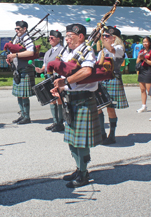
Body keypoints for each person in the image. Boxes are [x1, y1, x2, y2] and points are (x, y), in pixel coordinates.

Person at [51, 24, 102, 188]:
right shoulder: (67, 51)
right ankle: (78, 168)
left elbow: (86, 71)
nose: (66, 39)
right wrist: (59, 87)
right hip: (70, 98)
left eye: (70, 35)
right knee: (72, 140)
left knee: (81, 141)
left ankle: (84, 172)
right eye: (66, 36)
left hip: (83, 100)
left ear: (81, 37)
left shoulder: (87, 51)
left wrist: (65, 82)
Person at [98, 26, 129, 145]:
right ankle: (101, 133)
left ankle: (112, 134)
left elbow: (111, 49)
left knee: (110, 108)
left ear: (114, 38)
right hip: (102, 78)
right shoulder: (104, 50)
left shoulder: (119, 48)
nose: (104, 38)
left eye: (107, 36)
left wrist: (102, 40)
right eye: (104, 36)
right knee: (98, 106)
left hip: (113, 78)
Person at [35, 30, 65, 132]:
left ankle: (60, 123)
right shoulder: (48, 52)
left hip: (57, 77)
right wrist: (41, 70)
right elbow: (45, 65)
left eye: (52, 38)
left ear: (58, 39)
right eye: (49, 38)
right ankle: (55, 121)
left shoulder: (63, 50)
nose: (49, 39)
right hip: (48, 77)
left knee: (59, 98)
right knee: (51, 99)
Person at [7, 20, 35, 124]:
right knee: (19, 94)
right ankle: (22, 115)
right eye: (16, 28)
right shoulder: (17, 38)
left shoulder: (26, 38)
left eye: (18, 28)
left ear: (24, 29)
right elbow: (13, 51)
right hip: (17, 69)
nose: (16, 30)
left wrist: (15, 55)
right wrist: (10, 57)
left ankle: (27, 117)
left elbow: (31, 51)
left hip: (25, 69)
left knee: (24, 94)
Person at [136, 37, 151, 113]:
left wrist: (144, 59)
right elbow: (137, 61)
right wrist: (140, 58)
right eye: (144, 42)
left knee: (149, 90)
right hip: (142, 70)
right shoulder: (141, 51)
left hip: (148, 70)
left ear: (149, 43)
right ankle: (144, 106)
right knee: (142, 89)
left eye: (146, 42)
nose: (145, 43)